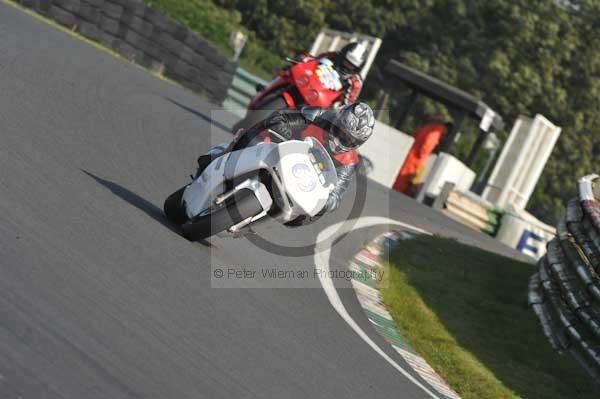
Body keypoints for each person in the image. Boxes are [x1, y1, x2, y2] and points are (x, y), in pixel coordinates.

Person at [197, 102, 375, 224]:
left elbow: (337, 195)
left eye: (349, 140)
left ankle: (254, 219)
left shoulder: (349, 162)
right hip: (279, 152)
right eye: (340, 131)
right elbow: (282, 117)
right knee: (251, 136)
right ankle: (221, 155)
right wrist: (283, 129)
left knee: (305, 218)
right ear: (336, 120)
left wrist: (327, 203)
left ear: (358, 144)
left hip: (301, 182)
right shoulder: (319, 115)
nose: (341, 139)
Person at [392, 121, 451, 196]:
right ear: (447, 131)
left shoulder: (430, 126)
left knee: (399, 177)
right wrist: (421, 157)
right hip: (415, 159)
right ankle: (394, 195)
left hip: (411, 153)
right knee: (403, 179)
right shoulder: (437, 131)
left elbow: (415, 134)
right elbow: (427, 145)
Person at [300, 42, 367, 107]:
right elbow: (313, 60)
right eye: (346, 62)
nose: (346, 67)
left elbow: (347, 103)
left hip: (321, 105)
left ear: (357, 68)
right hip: (306, 83)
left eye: (351, 66)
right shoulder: (332, 56)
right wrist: (304, 59)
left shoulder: (356, 82)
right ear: (341, 56)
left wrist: (336, 108)